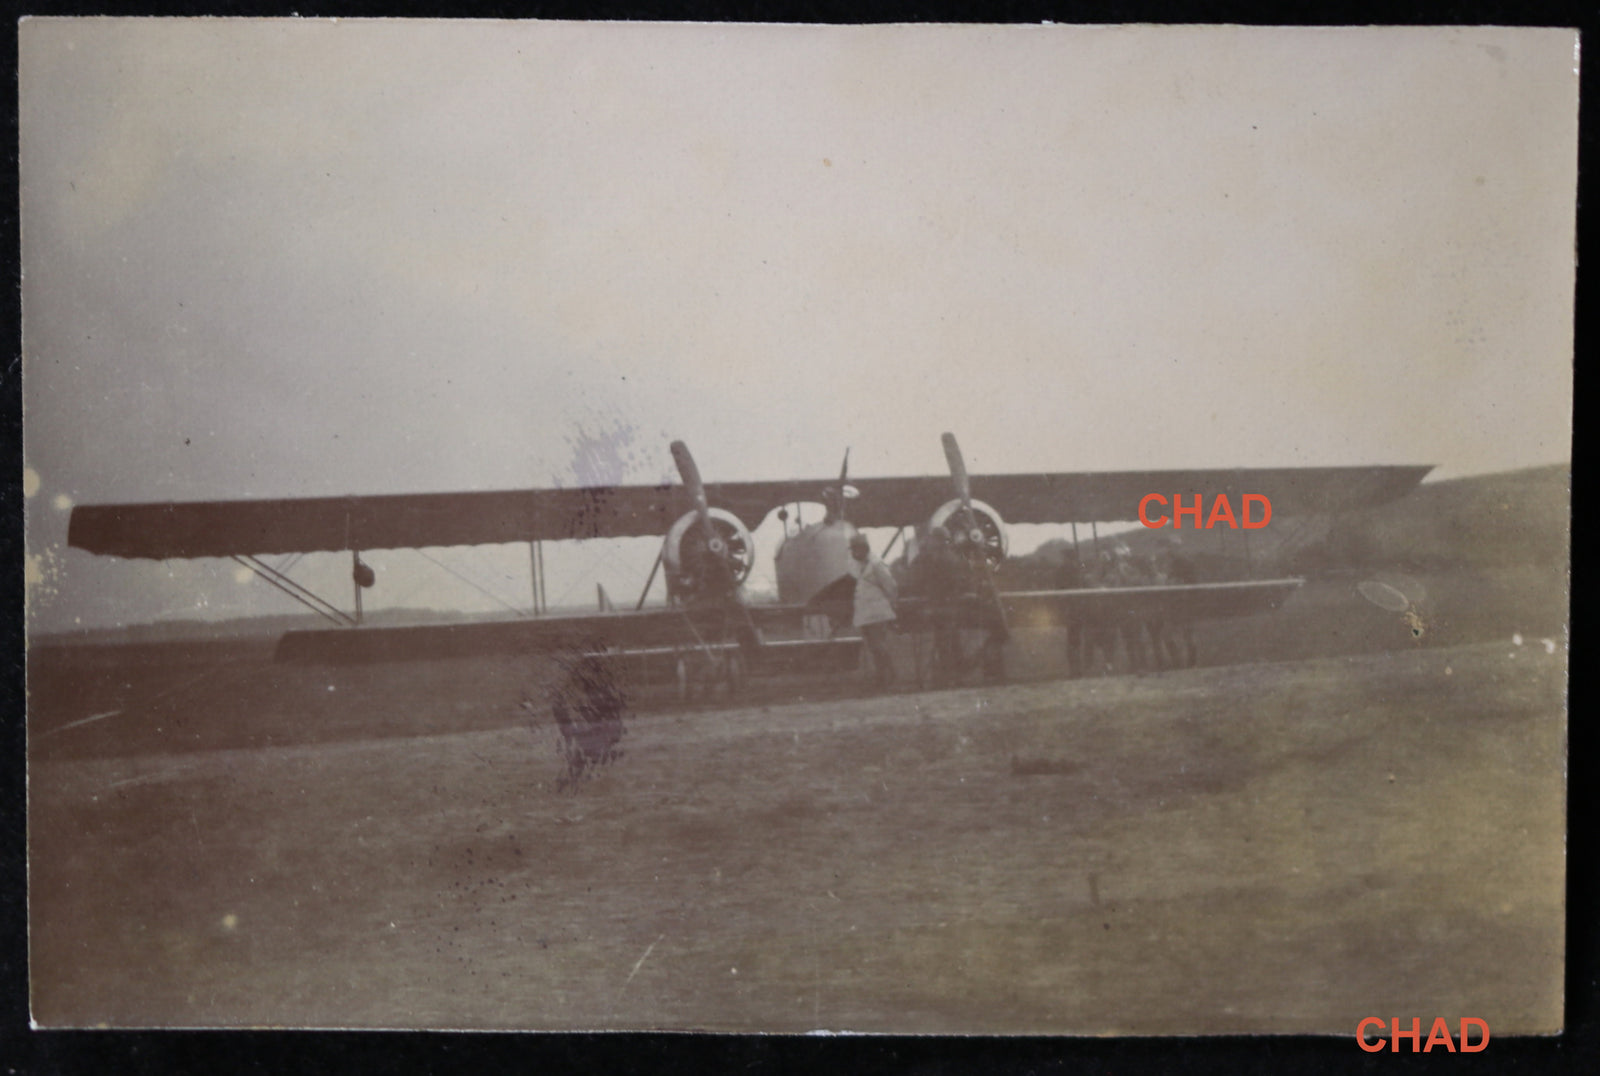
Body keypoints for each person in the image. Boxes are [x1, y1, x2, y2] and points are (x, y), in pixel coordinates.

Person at [910, 525, 969, 687]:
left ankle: (949, 678)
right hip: (950, 606)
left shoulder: (939, 559)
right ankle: (955, 677)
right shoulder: (951, 557)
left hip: (942, 606)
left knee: (945, 644)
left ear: (938, 540)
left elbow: (920, 575)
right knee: (951, 642)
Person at [850, 531, 899, 689]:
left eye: (855, 549)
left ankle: (890, 677)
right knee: (874, 648)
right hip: (867, 615)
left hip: (877, 614)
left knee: (879, 646)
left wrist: (892, 604)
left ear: (864, 548)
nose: (853, 553)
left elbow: (890, 585)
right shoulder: (861, 565)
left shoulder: (876, 564)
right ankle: (882, 677)